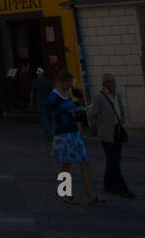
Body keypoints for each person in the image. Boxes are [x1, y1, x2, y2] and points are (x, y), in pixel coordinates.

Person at [49, 69, 103, 206]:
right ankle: (66, 194)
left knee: (84, 162)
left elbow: (74, 108)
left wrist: (79, 105)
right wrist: (67, 112)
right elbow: (54, 115)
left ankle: (91, 195)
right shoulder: (54, 96)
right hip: (63, 134)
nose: (70, 85)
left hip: (74, 132)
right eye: (68, 83)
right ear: (62, 82)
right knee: (66, 165)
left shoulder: (68, 93)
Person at [87, 73, 134, 198]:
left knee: (114, 160)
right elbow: (91, 114)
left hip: (117, 132)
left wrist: (121, 122)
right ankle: (122, 188)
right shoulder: (99, 97)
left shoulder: (117, 95)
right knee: (114, 161)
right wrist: (97, 128)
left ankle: (107, 185)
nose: (113, 84)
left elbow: (120, 110)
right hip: (106, 133)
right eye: (110, 82)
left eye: (113, 81)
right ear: (103, 83)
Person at [30, 67, 53, 140]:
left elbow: (32, 92)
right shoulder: (47, 81)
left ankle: (48, 135)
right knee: (48, 117)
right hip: (47, 100)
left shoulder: (36, 81)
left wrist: (31, 102)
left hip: (41, 100)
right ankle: (50, 132)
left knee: (44, 118)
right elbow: (51, 90)